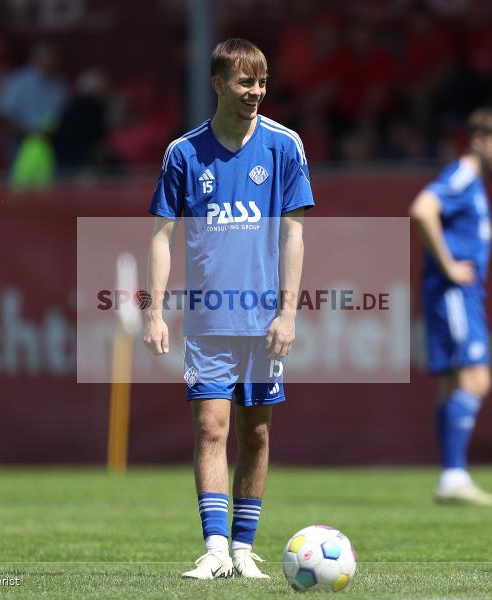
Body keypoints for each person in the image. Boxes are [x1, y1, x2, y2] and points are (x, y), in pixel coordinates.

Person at [144, 38, 313, 579]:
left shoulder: (285, 146)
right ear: (218, 84)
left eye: (262, 83)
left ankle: (244, 549)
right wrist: (153, 309)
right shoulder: (184, 153)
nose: (256, 93)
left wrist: (288, 312)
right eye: (245, 83)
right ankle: (216, 549)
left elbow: (294, 236)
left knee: (256, 431)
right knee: (212, 427)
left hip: (263, 321)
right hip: (210, 320)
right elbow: (161, 237)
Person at [409, 108, 492, 506]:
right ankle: (453, 475)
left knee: (454, 382)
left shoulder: (473, 182)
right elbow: (422, 209)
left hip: (461, 294)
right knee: (475, 379)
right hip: (455, 293)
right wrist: (449, 264)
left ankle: (451, 473)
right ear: (478, 140)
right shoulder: (462, 175)